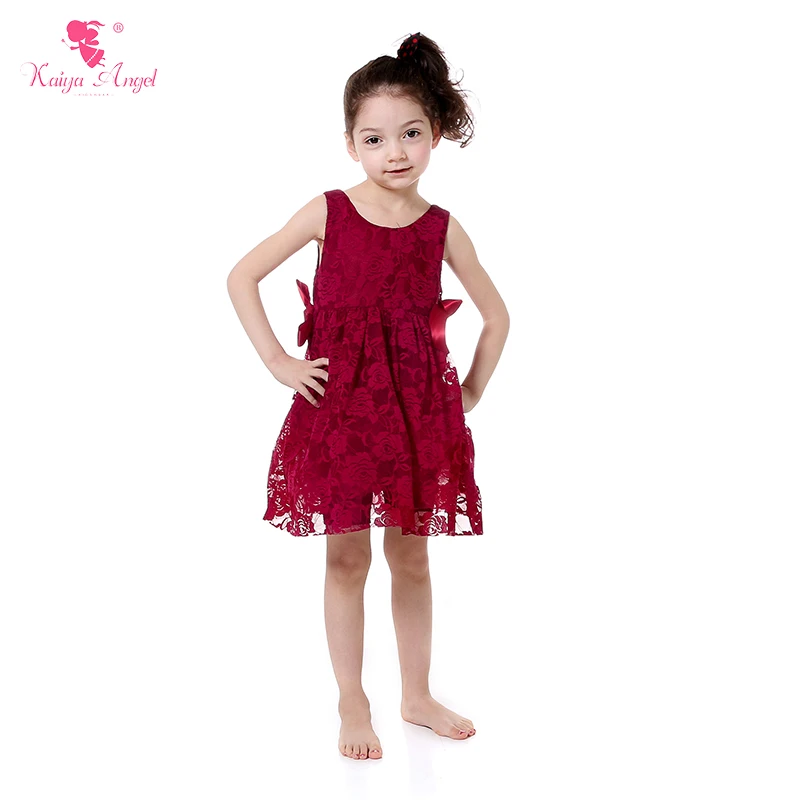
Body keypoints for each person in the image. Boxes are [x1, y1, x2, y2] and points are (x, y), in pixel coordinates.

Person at [227, 32, 510, 761]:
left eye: (411, 133)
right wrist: (278, 361)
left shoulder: (441, 228)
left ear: (436, 133)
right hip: (344, 414)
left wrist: (470, 391)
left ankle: (416, 694)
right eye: (375, 138)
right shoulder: (328, 212)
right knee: (347, 559)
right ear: (350, 144)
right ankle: (352, 700)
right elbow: (241, 275)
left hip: (416, 418)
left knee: (412, 558)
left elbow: (498, 316)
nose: (395, 152)